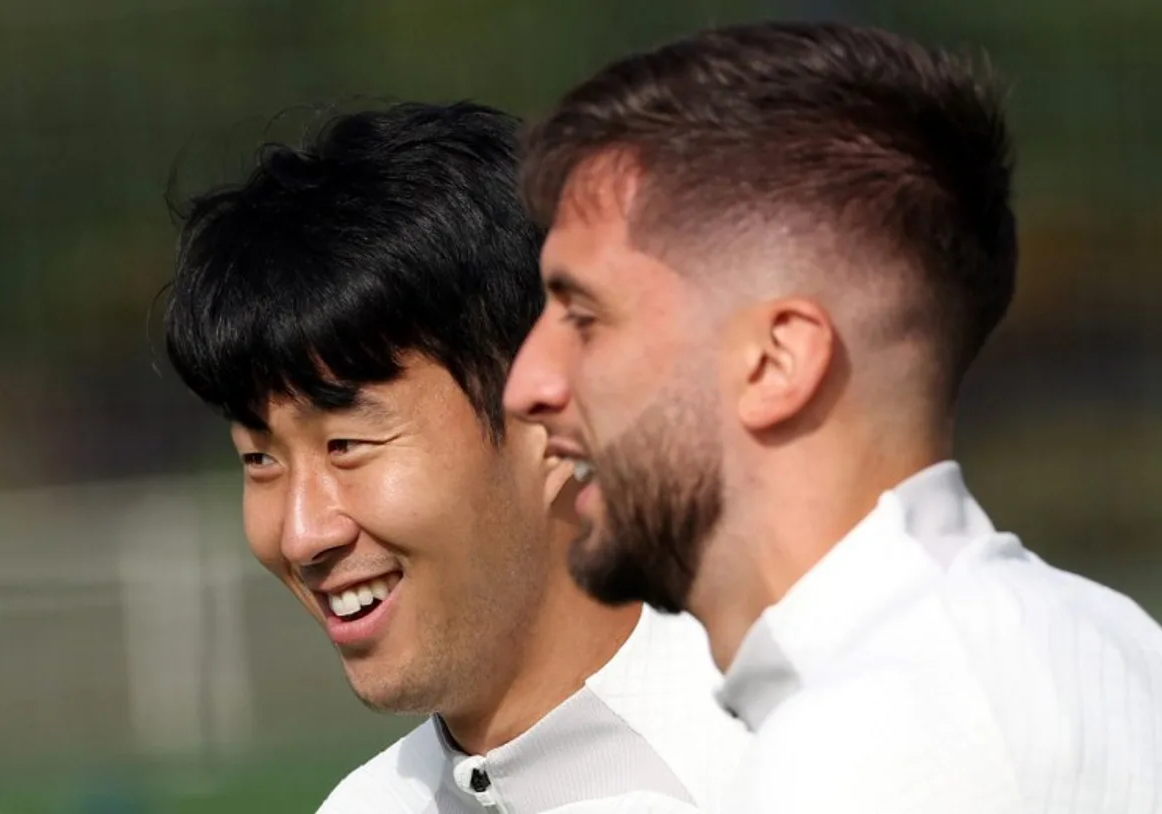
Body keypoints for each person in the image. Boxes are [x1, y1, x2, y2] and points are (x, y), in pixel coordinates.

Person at [504, 21, 1162, 814]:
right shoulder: (1104, 647)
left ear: (778, 361)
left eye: (584, 317)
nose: (527, 384)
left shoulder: (891, 741)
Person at [163, 100, 748, 814]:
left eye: (347, 444)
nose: (302, 533)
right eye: (260, 460)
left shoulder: (807, 761)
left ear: (554, 416)